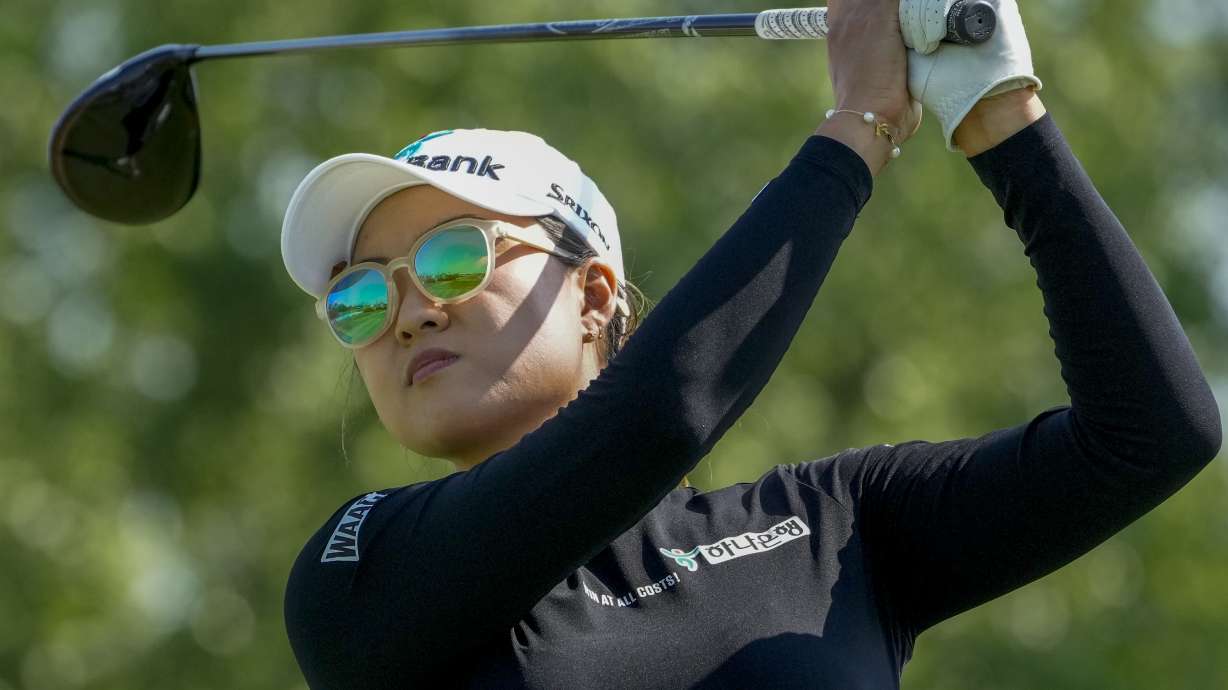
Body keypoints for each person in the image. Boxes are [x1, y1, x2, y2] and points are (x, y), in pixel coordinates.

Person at [279, 0, 1221, 687]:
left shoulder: (833, 528)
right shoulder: (357, 573)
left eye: (453, 259)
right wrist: (860, 127)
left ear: (594, 294)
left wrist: (1001, 116)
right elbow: (655, 420)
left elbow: (1151, 434)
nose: (409, 313)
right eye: (360, 297)